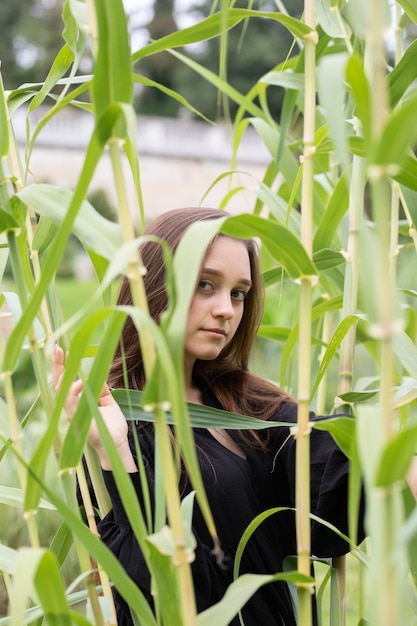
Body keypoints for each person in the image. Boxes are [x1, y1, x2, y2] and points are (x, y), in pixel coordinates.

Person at [53, 207, 364, 626]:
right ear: (157, 285)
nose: (226, 310)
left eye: (238, 293)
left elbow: (334, 477)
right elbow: (147, 591)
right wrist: (115, 450)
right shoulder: (110, 413)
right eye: (205, 285)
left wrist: (390, 456)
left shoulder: (248, 403)